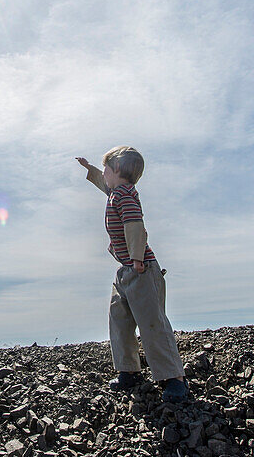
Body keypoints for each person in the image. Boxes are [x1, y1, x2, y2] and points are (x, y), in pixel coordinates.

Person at [76, 146, 190, 403]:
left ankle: (174, 378)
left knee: (152, 323)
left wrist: (137, 257)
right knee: (120, 320)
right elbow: (102, 183)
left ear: (118, 171)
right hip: (126, 270)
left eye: (105, 168)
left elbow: (135, 225)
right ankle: (129, 370)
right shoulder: (115, 192)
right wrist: (89, 169)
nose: (103, 173)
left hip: (141, 269)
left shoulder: (125, 196)